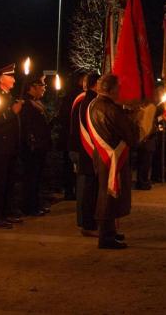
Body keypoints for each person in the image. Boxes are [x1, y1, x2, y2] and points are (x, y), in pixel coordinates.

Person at [87, 74, 140, 249]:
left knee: (108, 193)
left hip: (102, 156)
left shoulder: (94, 104)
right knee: (109, 195)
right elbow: (130, 135)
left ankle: (109, 231)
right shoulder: (111, 109)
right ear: (111, 89)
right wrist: (136, 121)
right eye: (118, 87)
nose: (120, 90)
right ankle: (106, 237)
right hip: (113, 157)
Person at [0, 63, 24, 229]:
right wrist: (11, 112)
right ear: (1, 79)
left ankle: (7, 212)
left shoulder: (9, 96)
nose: (14, 80)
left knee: (9, 181)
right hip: (0, 147)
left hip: (11, 146)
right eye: (10, 76)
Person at [69, 73, 100, 237]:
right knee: (87, 188)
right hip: (85, 149)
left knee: (89, 188)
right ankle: (86, 222)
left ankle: (88, 221)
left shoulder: (89, 99)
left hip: (84, 149)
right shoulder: (86, 100)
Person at [19, 74, 51, 216]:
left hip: (40, 146)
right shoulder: (26, 104)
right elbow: (27, 126)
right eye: (42, 85)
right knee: (31, 177)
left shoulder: (36, 102)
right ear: (33, 87)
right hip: (32, 147)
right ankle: (29, 207)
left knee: (37, 177)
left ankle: (36, 204)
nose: (44, 88)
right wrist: (32, 142)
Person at [54, 73, 84, 201]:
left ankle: (69, 190)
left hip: (69, 136)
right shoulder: (78, 97)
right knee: (72, 165)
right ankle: (72, 190)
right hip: (74, 136)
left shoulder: (69, 96)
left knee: (69, 165)